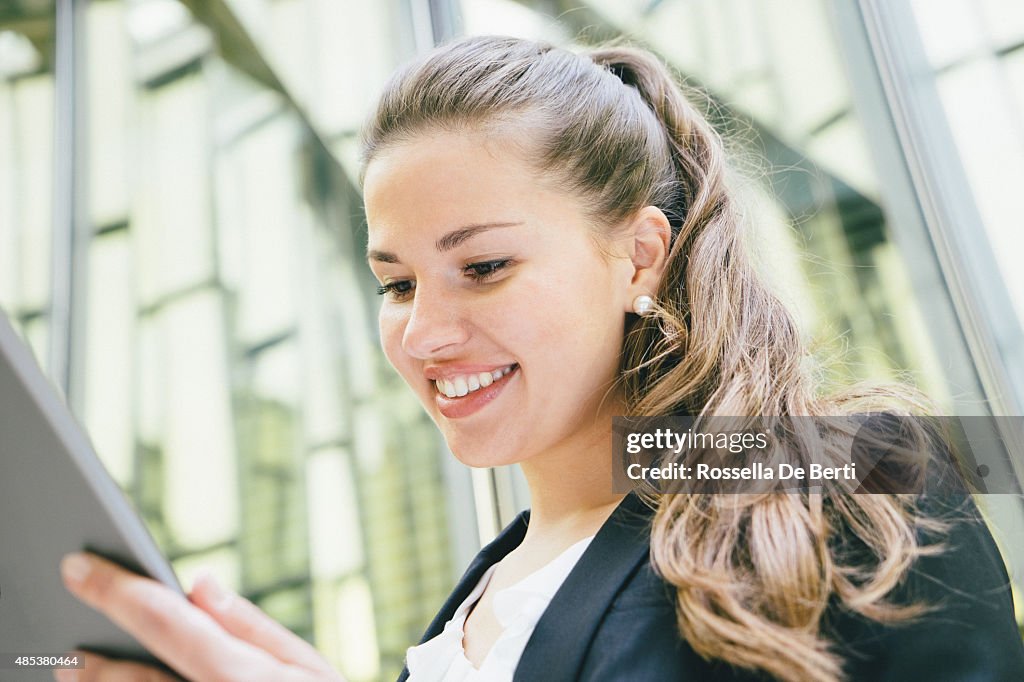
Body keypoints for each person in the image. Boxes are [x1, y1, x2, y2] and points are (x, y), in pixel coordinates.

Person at [57, 35, 1024, 682]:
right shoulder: (466, 609)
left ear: (639, 253)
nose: (424, 333)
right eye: (396, 284)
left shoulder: (846, 467)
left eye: (483, 266)